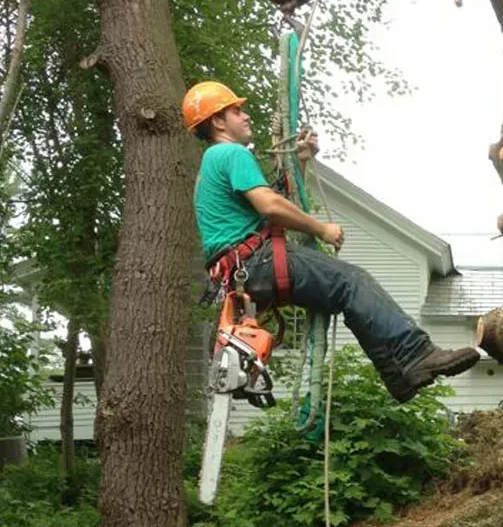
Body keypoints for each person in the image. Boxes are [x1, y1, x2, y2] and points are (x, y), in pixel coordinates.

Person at [182, 80, 480, 403]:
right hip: (255, 262)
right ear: (217, 121)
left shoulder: (212, 164)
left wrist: (302, 161)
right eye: (236, 111)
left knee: (342, 290)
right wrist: (321, 229)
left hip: (244, 271)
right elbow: (271, 206)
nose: (245, 116)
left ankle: (399, 374)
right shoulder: (230, 153)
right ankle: (414, 355)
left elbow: (275, 201)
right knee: (350, 281)